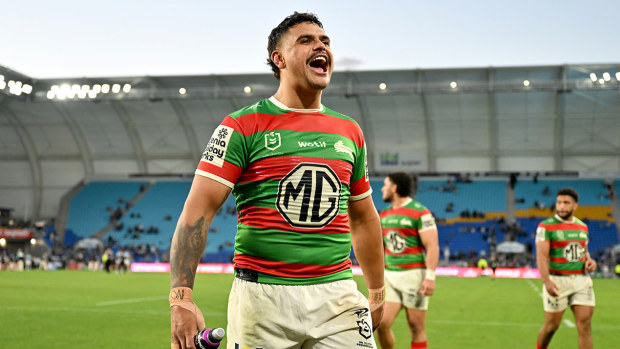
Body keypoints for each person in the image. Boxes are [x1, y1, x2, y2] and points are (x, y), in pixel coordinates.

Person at [169, 12, 385, 349]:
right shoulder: (241, 126)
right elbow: (197, 213)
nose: (321, 46)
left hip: (337, 295)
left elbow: (364, 216)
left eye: (325, 41)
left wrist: (377, 290)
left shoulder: (350, 131)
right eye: (307, 40)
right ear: (279, 58)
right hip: (261, 298)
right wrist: (181, 297)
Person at [375, 172, 439, 349]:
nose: (382, 188)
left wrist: (430, 277)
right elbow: (380, 247)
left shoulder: (421, 212)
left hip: (414, 277)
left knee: (416, 327)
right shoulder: (384, 214)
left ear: (394, 188)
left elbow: (432, 246)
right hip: (390, 276)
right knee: (382, 324)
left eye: (385, 184)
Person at [535, 188, 596, 349]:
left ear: (575, 205)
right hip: (557, 281)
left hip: (581, 280)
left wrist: (590, 261)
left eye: (566, 203)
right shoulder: (546, 227)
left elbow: (584, 252)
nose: (561, 206)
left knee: (585, 324)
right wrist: (546, 281)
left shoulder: (583, 227)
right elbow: (541, 256)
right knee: (551, 326)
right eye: (559, 203)